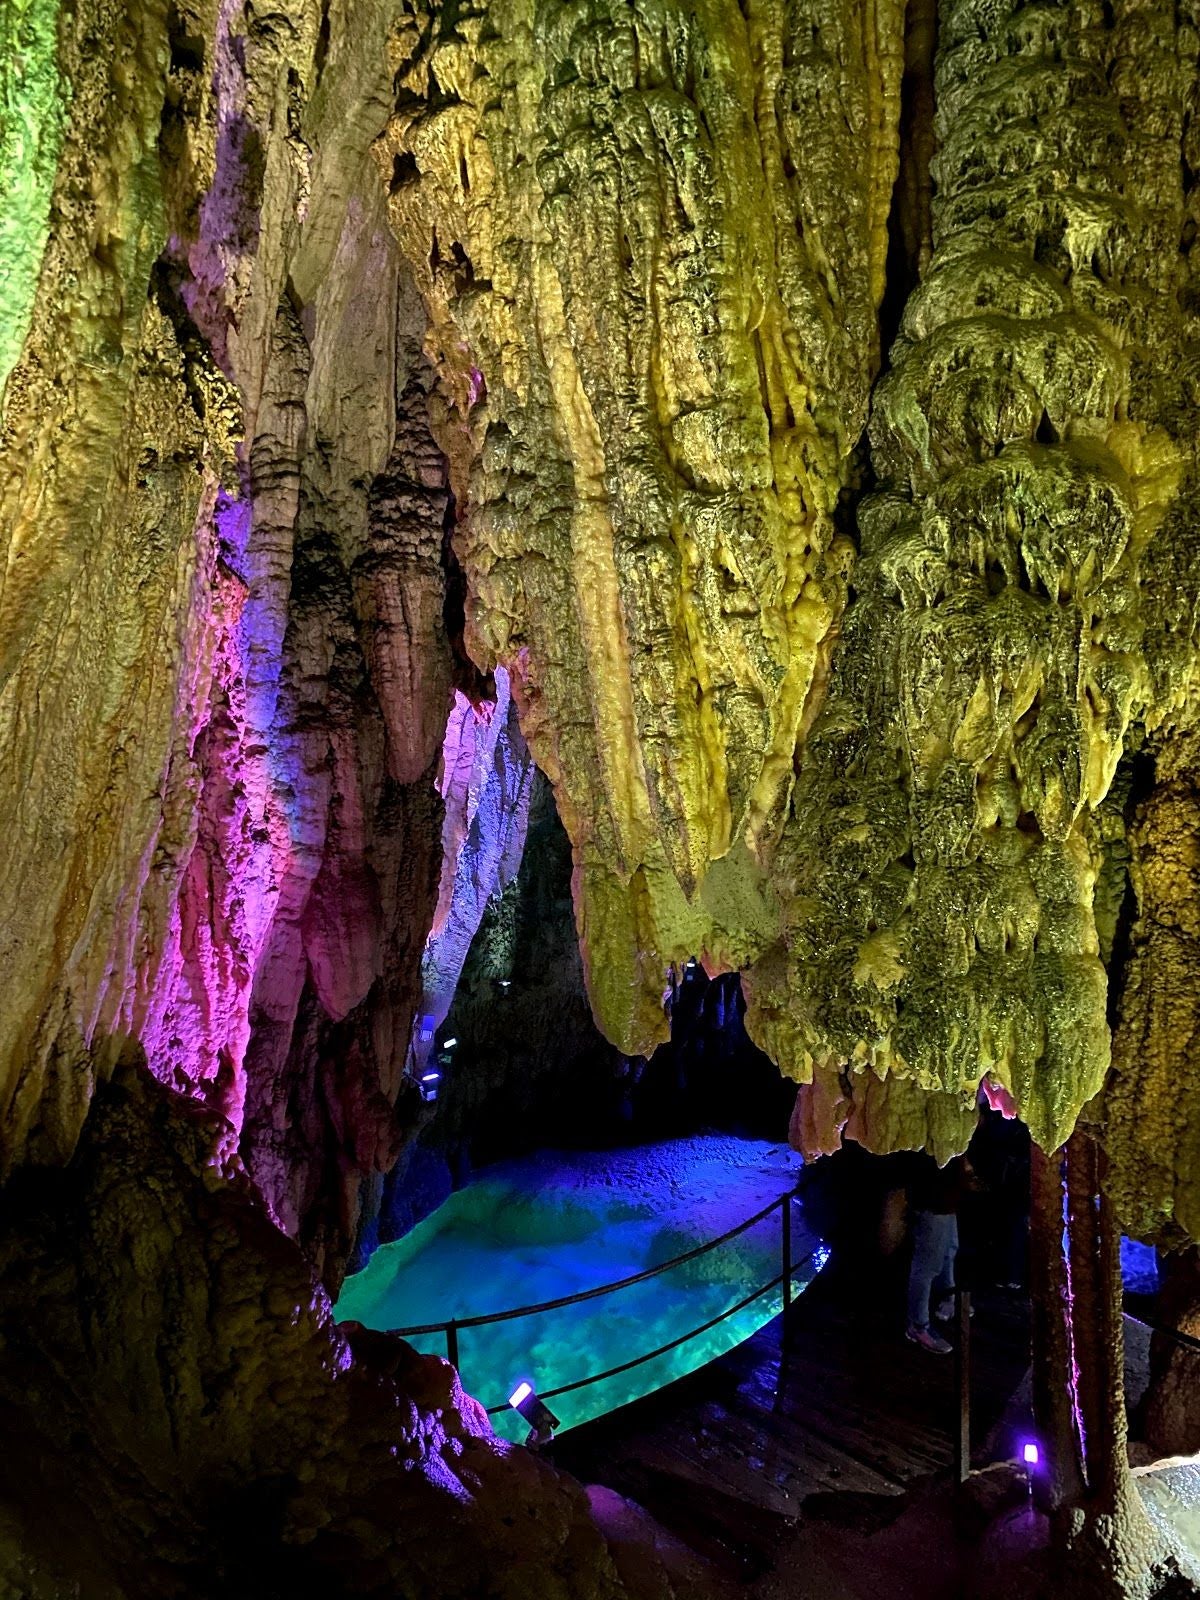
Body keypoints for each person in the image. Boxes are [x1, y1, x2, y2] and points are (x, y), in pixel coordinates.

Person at [905, 1153, 968, 1354]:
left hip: (947, 1198)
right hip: (934, 1200)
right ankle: (918, 1325)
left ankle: (948, 1299)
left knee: (950, 1249)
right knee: (927, 1266)